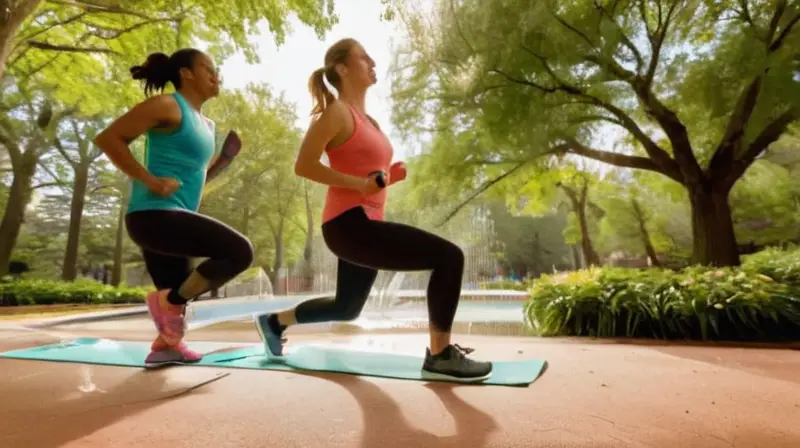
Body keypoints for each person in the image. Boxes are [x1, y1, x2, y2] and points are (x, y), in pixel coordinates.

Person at [254, 38, 493, 382]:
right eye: (364, 58)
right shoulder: (336, 112)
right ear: (342, 68)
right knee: (449, 257)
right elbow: (304, 165)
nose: (373, 63)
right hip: (348, 224)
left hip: (361, 222)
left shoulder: (371, 122)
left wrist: (389, 178)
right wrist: (359, 184)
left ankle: (274, 322)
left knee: (346, 307)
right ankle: (440, 355)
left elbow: (369, 179)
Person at [94, 48, 254, 366]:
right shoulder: (168, 105)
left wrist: (225, 159)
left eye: (215, 69)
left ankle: (166, 348)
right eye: (207, 68)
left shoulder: (207, 125)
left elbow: (196, 179)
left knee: (177, 298)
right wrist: (150, 180)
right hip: (153, 215)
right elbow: (109, 138)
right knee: (239, 253)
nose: (215, 75)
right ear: (186, 73)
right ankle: (169, 303)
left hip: (177, 215)